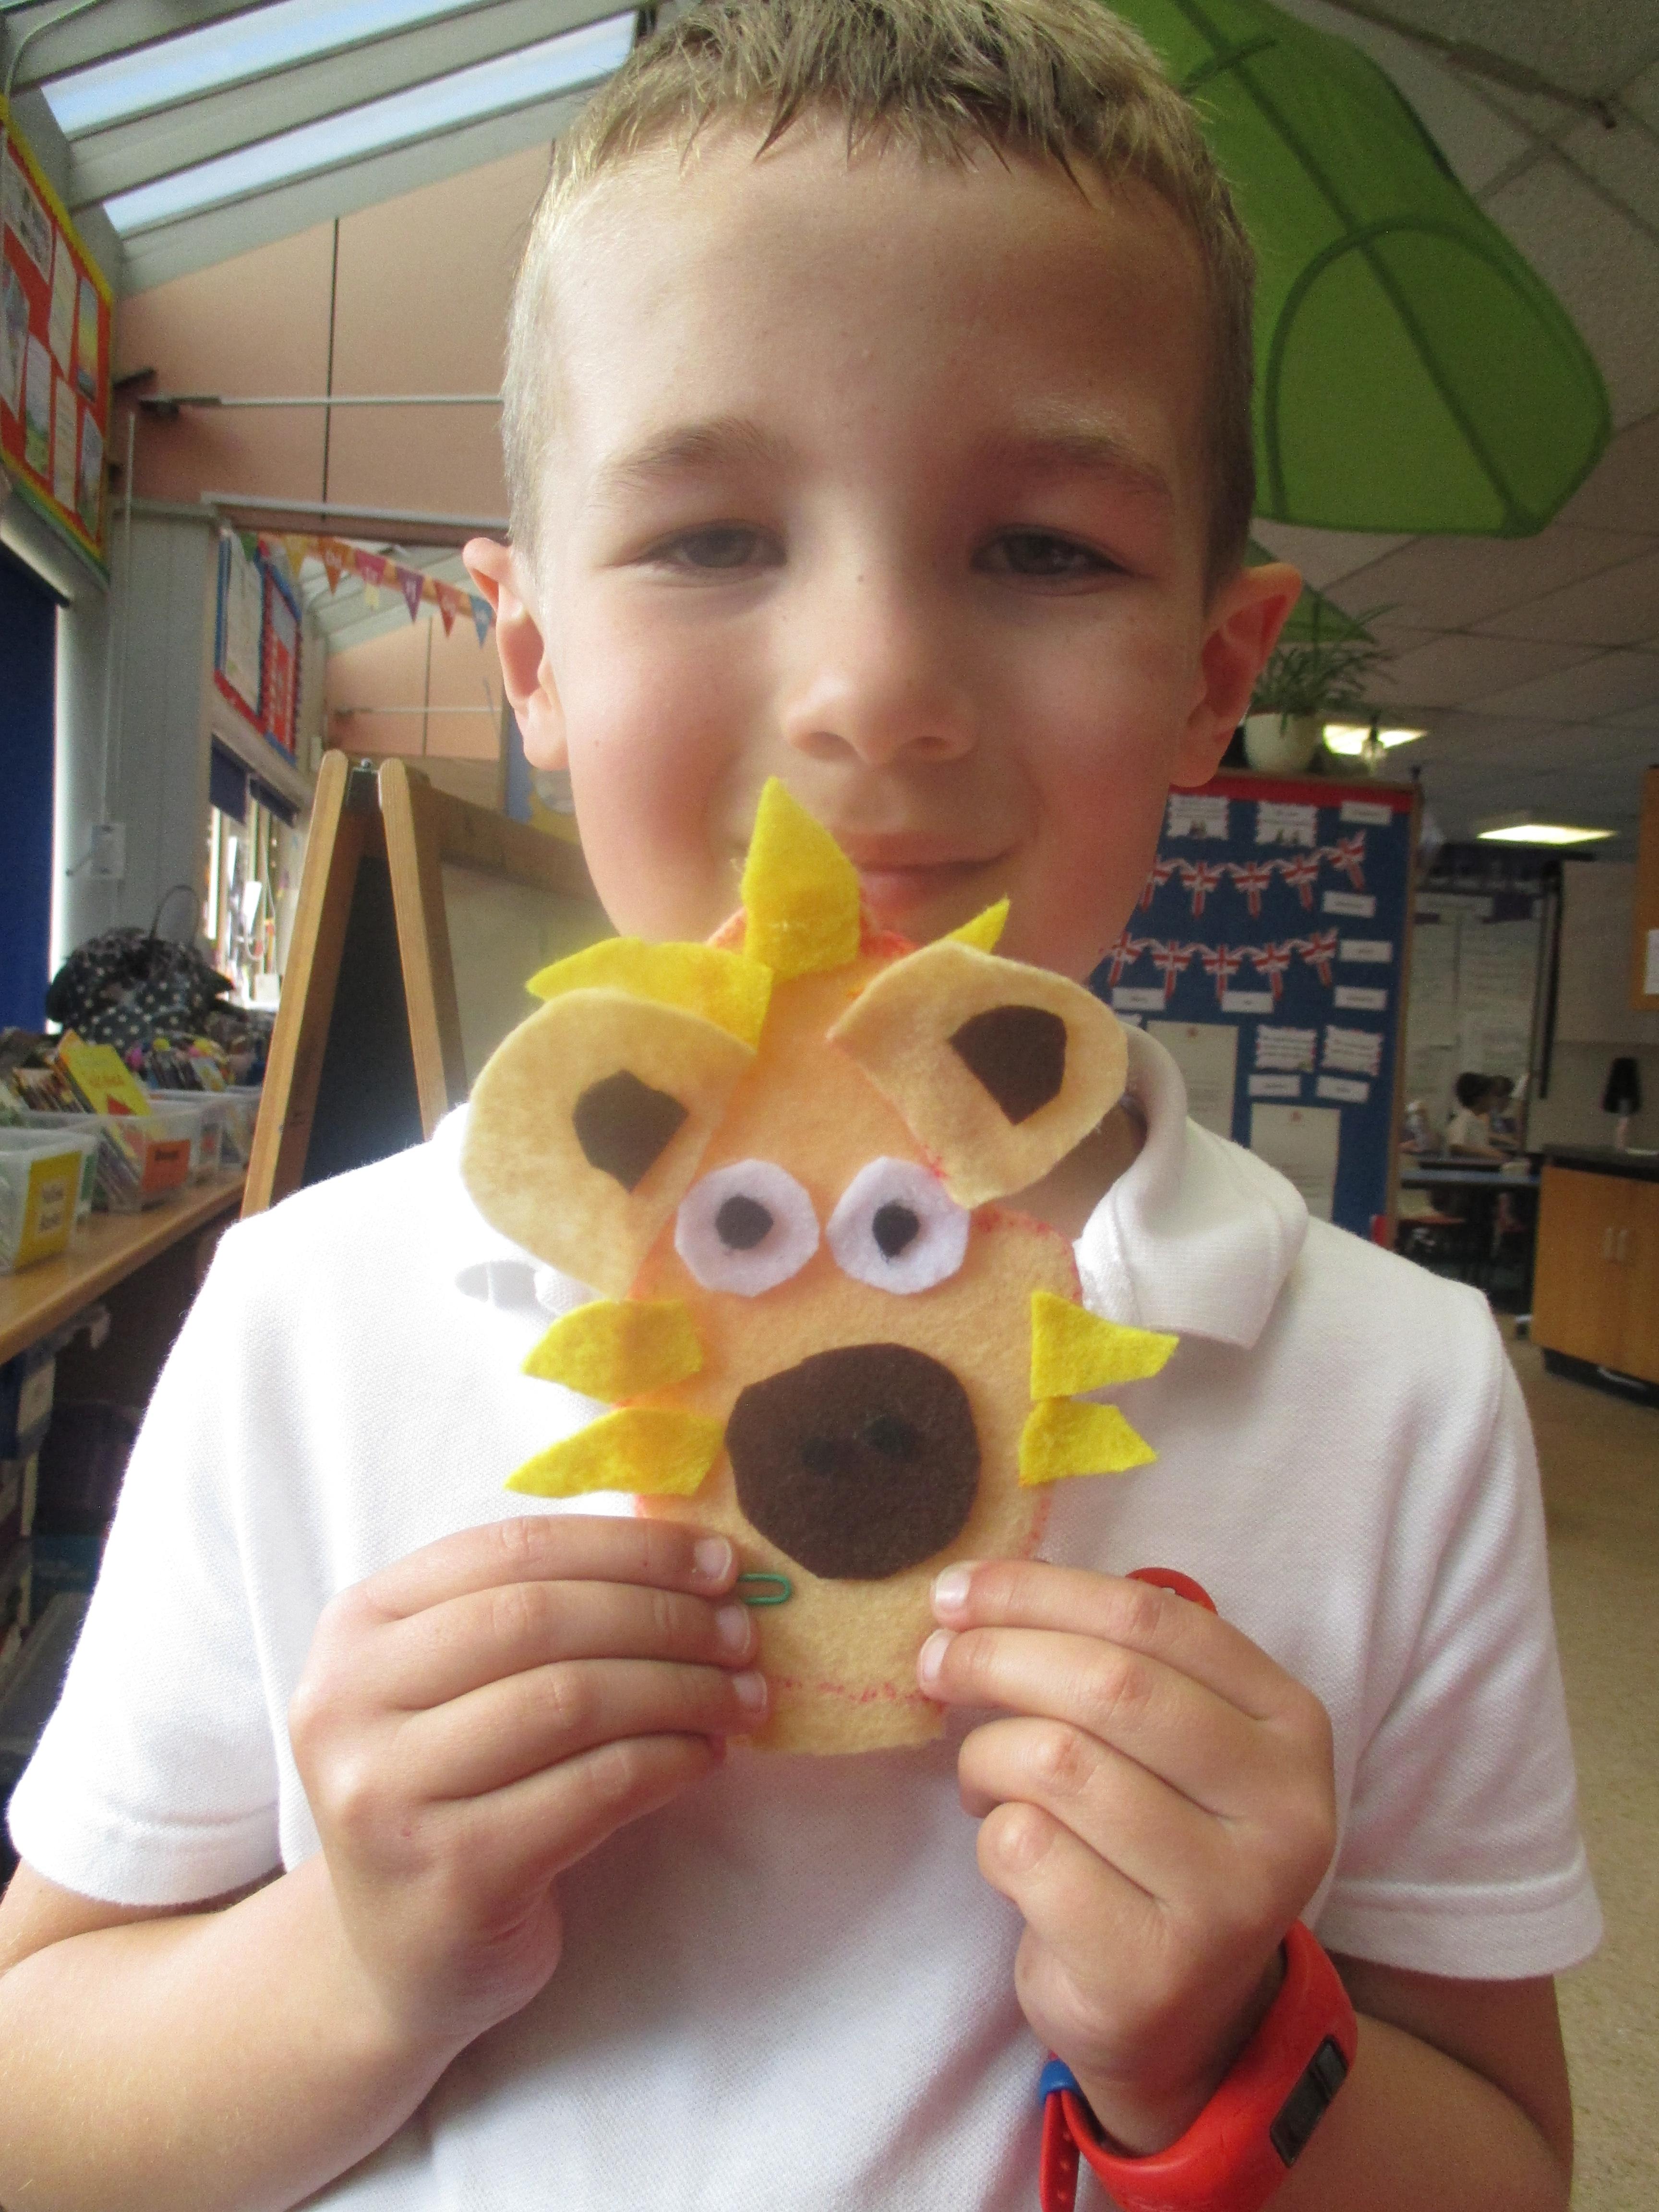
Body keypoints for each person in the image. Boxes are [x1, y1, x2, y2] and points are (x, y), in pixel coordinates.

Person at [0, 6, 1595, 2208]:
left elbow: (1506, 2161)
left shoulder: (1394, 1392)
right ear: (532, 660)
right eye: (711, 534)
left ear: (1212, 676)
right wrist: (354, 1966)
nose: (873, 694)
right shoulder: (305, 1325)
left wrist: (1230, 2048)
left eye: (1040, 549)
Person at [1444, 1073, 1505, 1161]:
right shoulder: (1465, 1120)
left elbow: (1482, 1147)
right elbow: (1456, 1146)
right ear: (1480, 1099)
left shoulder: (1477, 1121)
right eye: (1491, 1096)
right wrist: (1490, 1155)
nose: (1494, 1100)